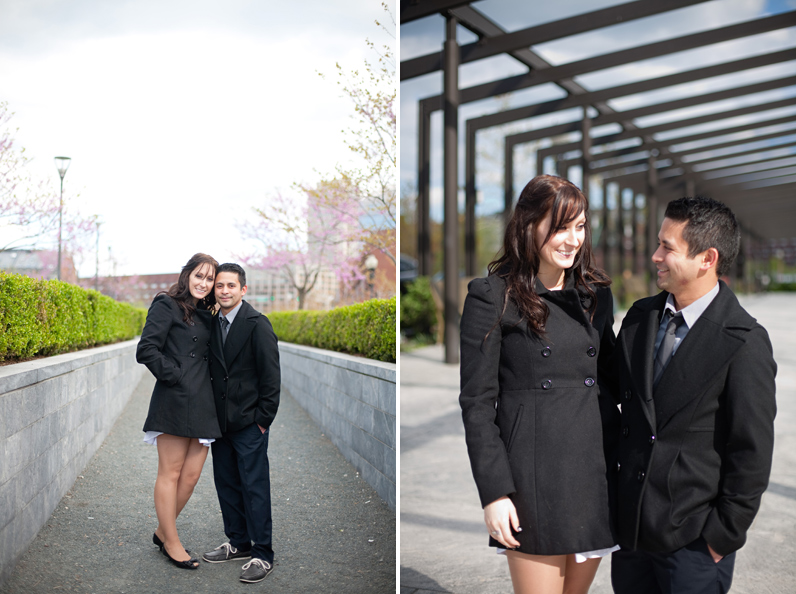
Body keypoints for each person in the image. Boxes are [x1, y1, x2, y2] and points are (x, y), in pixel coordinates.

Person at [460, 175, 621, 594]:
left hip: (593, 473)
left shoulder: (595, 295)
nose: (572, 240)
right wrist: (494, 493)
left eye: (580, 226)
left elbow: (616, 379)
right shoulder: (492, 296)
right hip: (534, 479)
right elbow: (477, 403)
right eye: (560, 226)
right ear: (528, 224)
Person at [611, 197, 777, 594]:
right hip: (632, 534)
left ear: (708, 258)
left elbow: (751, 451)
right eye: (658, 244)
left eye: (668, 247)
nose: (655, 256)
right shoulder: (640, 317)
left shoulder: (745, 342)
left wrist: (722, 536)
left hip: (694, 544)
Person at [136, 253, 222, 570]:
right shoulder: (166, 304)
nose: (204, 283)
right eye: (199, 275)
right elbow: (146, 348)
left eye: (209, 278)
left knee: (191, 475)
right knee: (170, 473)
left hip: (204, 404)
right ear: (186, 275)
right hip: (174, 398)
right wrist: (175, 375)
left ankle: (162, 530)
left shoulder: (209, 315)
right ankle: (172, 542)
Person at [201, 263, 281, 584]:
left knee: (255, 488)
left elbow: (271, 378)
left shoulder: (257, 324)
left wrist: (263, 421)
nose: (224, 291)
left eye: (231, 286)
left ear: (243, 289)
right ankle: (238, 543)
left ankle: (263, 553)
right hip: (220, 424)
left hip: (249, 423)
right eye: (219, 286)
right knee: (227, 485)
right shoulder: (211, 324)